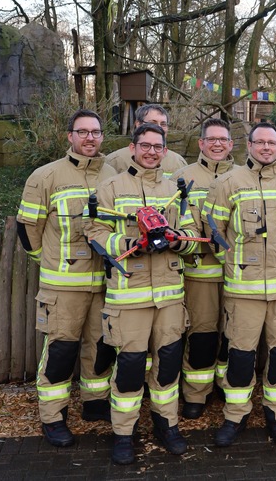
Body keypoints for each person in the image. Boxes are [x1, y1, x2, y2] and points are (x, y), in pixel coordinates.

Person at [85, 122, 198, 465]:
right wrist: (131, 244)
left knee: (167, 368)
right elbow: (95, 232)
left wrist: (178, 239)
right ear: (132, 148)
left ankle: (167, 426)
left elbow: (192, 232)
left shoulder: (175, 190)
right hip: (128, 296)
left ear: (165, 151)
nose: (151, 151)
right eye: (145, 145)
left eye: (157, 146)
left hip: (169, 296)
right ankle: (124, 433)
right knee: (130, 368)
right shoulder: (110, 187)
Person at [203, 122, 276, 448]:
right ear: (248, 146)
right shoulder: (228, 183)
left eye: (271, 142)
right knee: (239, 357)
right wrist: (234, 264)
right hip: (243, 292)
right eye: (259, 142)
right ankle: (236, 416)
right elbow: (213, 230)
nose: (266, 147)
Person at [17, 109, 117, 448]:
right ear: (70, 136)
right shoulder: (45, 176)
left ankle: (95, 403)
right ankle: (53, 416)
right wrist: (48, 262)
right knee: (60, 351)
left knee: (100, 346)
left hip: (104, 284)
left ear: (103, 137)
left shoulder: (113, 175)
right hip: (63, 287)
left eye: (95, 132)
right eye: (83, 131)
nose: (90, 137)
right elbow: (27, 228)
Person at [173, 118, 235, 419]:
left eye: (223, 139)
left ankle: (226, 386)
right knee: (202, 335)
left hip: (239, 276)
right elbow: (177, 224)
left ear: (231, 144)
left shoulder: (244, 177)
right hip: (200, 274)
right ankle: (196, 393)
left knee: (234, 335)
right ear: (201, 143)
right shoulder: (182, 178)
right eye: (211, 139)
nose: (217, 144)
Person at [106, 103, 187, 178]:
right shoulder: (115, 161)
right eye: (153, 123)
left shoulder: (178, 162)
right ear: (138, 124)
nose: (159, 128)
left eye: (163, 124)